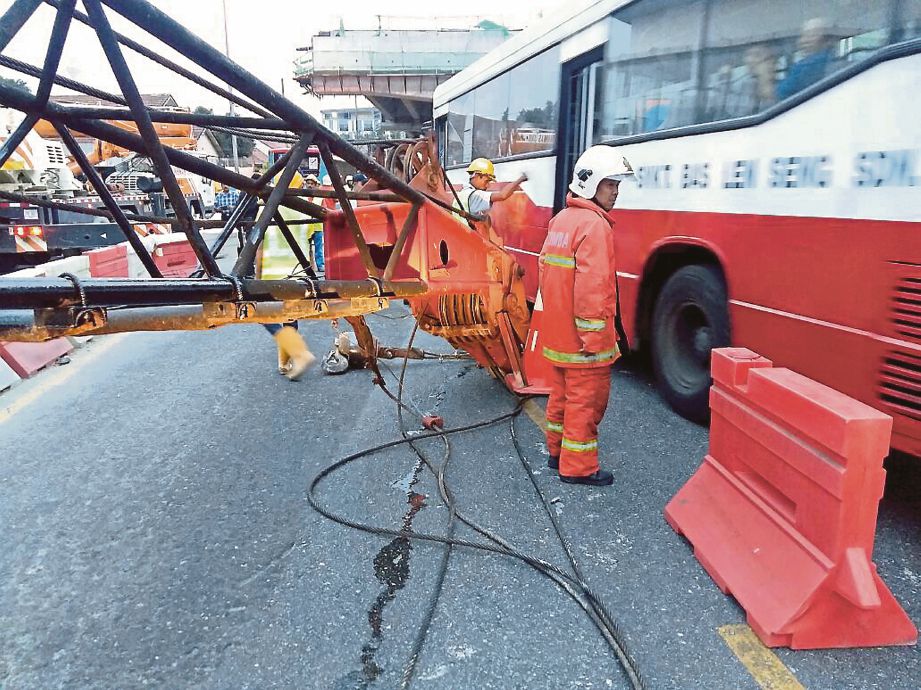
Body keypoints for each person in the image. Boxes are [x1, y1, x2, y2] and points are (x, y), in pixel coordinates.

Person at [538, 145, 634, 487]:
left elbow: (547, 277)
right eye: (611, 185)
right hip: (583, 342)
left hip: (560, 335)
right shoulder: (595, 227)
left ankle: (556, 453)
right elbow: (593, 288)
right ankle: (577, 467)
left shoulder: (561, 221)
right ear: (591, 184)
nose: (616, 192)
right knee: (586, 402)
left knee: (561, 396)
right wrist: (594, 339)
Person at [776, 18, 835, 100]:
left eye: (811, 36)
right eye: (803, 36)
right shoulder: (833, 59)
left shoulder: (807, 66)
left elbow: (780, 94)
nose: (803, 41)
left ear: (827, 40)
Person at [453, 158, 527, 217]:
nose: (488, 186)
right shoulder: (475, 195)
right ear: (477, 176)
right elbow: (502, 195)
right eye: (486, 181)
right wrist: (521, 179)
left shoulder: (463, 194)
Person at [302, 174, 325, 275]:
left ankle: (320, 265)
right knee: (306, 247)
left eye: (312, 184)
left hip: (317, 226)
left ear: (315, 185)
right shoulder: (301, 197)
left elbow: (324, 211)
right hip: (306, 225)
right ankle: (308, 266)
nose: (310, 185)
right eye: (308, 183)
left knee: (318, 247)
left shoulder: (319, 198)